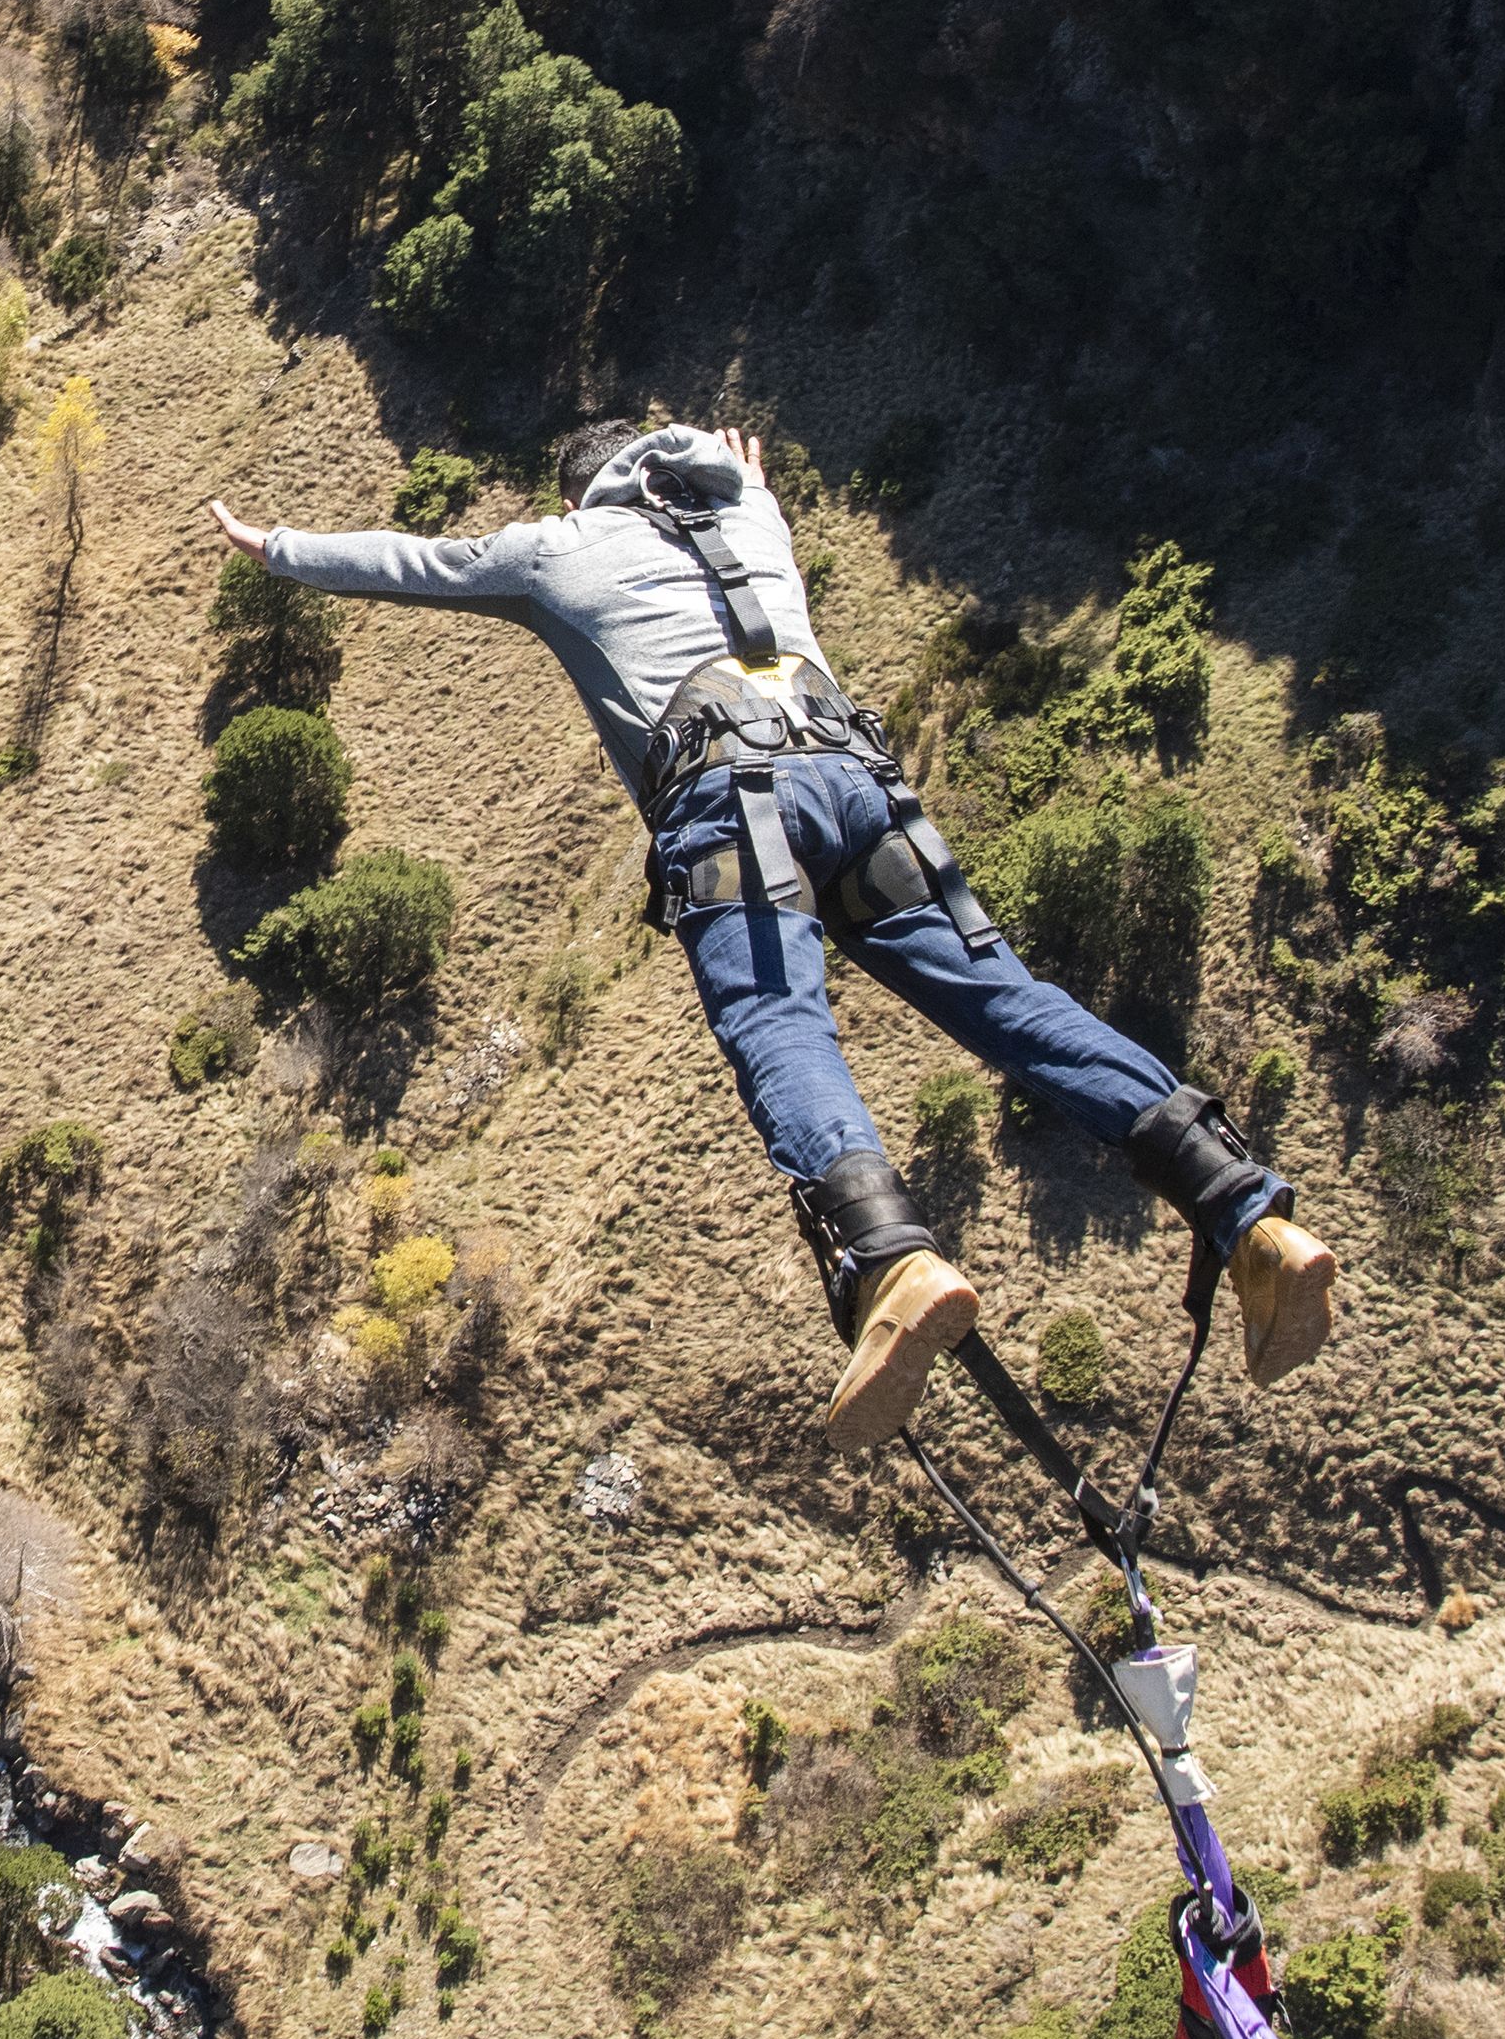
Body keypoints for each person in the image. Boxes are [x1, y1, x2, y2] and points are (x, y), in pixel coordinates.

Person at [208, 419, 1335, 1451]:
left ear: (579, 492)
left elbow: (422, 564)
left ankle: (892, 1263)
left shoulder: (562, 545)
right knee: (1011, 1001)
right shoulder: (749, 503)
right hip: (864, 788)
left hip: (735, 803)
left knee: (779, 1021)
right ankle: (1246, 1215)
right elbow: (737, 476)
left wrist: (278, 546)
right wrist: (738, 471)